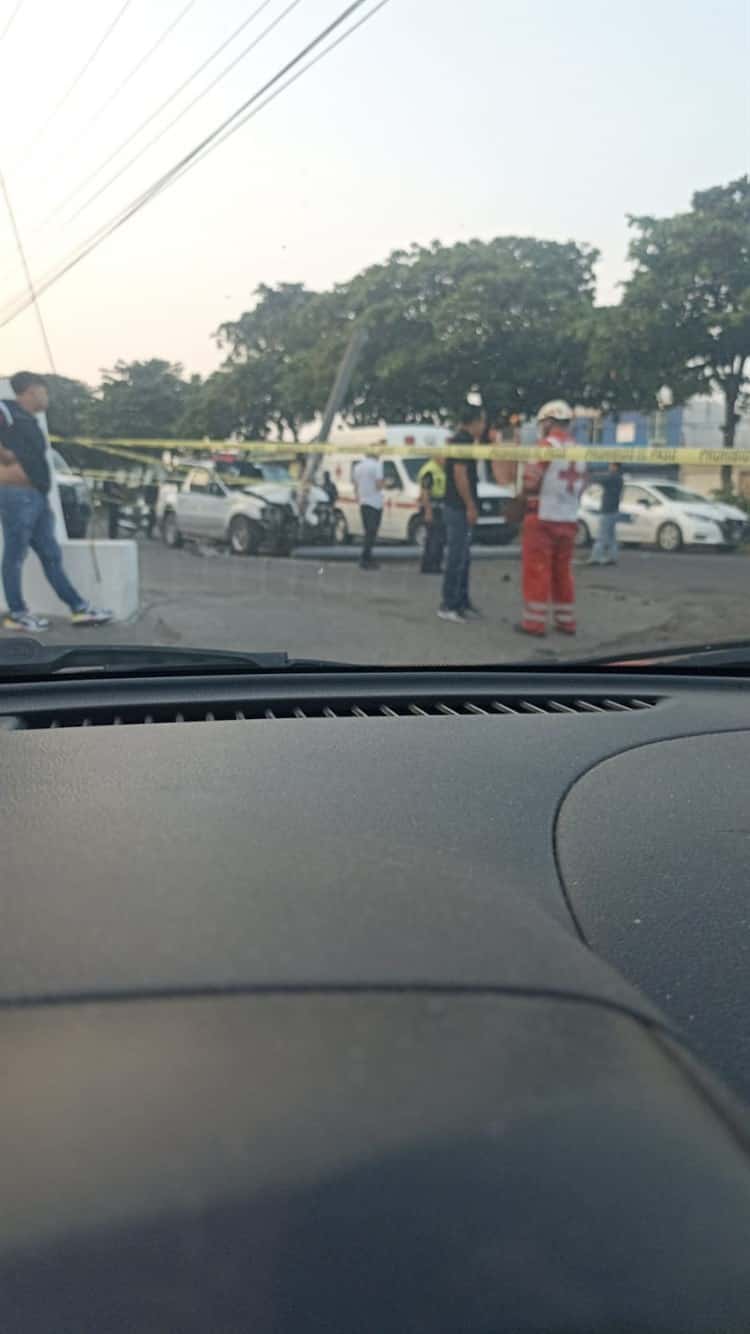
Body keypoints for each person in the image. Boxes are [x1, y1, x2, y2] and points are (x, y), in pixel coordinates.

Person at [0, 372, 112, 632]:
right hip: (17, 495)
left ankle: (79, 608)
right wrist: (6, 457)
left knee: (50, 554)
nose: (46, 396)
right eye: (44, 391)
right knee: (15, 556)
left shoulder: (29, 419)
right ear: (31, 391)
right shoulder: (7, 410)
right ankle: (17, 613)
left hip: (36, 497)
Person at [517, 399, 587, 637]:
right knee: (563, 572)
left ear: (547, 422)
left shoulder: (545, 446)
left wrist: (519, 498)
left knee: (537, 570)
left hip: (542, 517)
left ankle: (534, 623)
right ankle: (566, 621)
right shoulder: (579, 450)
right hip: (568, 518)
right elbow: (583, 484)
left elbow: (530, 481)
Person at [438, 404, 485, 623]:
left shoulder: (462, 441)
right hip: (457, 508)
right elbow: (460, 476)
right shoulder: (461, 441)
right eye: (482, 421)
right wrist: (470, 506)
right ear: (473, 422)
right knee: (457, 557)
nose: (484, 426)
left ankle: (462, 601)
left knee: (464, 557)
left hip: (459, 507)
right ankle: (448, 605)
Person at [352, 451, 384, 570]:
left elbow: (355, 486)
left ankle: (367, 557)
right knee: (372, 532)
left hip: (364, 502)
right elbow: (379, 485)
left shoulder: (357, 467)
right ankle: (365, 558)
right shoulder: (377, 466)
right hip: (375, 503)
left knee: (367, 532)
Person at [588, 463, 623, 566]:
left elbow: (599, 479)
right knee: (611, 536)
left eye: (611, 465)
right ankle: (613, 557)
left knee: (601, 535)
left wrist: (591, 473)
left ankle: (596, 557)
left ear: (615, 467)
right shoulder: (619, 478)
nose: (609, 467)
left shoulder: (612, 477)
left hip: (607, 510)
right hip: (614, 510)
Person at [416, 455, 446, 573]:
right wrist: (428, 511)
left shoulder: (441, 469)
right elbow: (425, 492)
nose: (446, 459)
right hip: (432, 508)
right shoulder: (430, 470)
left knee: (436, 539)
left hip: (440, 507)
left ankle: (432, 565)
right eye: (444, 457)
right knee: (434, 539)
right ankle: (431, 565)